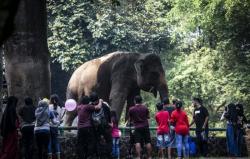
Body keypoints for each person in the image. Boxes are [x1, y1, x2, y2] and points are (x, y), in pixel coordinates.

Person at [90, 92, 112, 158]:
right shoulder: (104, 105)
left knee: (97, 141)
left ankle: (98, 155)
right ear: (98, 98)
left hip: (95, 127)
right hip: (105, 126)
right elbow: (109, 114)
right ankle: (108, 155)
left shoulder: (90, 106)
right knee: (108, 141)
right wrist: (109, 122)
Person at [48, 94, 64, 159]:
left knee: (49, 142)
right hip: (55, 127)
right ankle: (58, 157)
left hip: (49, 127)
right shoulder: (60, 108)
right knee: (56, 142)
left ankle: (50, 157)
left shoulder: (48, 107)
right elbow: (60, 119)